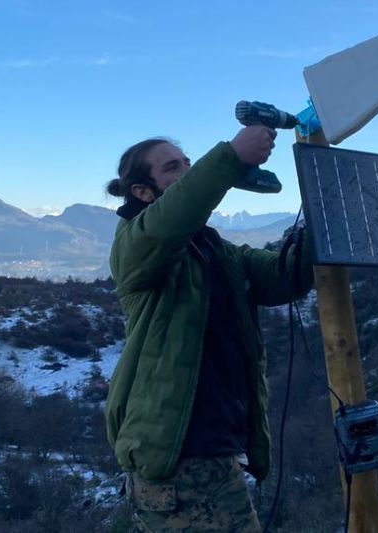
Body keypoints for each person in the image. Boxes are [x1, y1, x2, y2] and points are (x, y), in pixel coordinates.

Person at [104, 125, 313, 532]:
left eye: (187, 163)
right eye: (172, 168)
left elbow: (280, 277)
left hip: (212, 458)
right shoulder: (136, 244)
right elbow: (172, 218)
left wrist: (317, 231)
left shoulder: (213, 247)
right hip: (177, 462)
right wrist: (232, 157)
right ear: (143, 192)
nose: (187, 170)